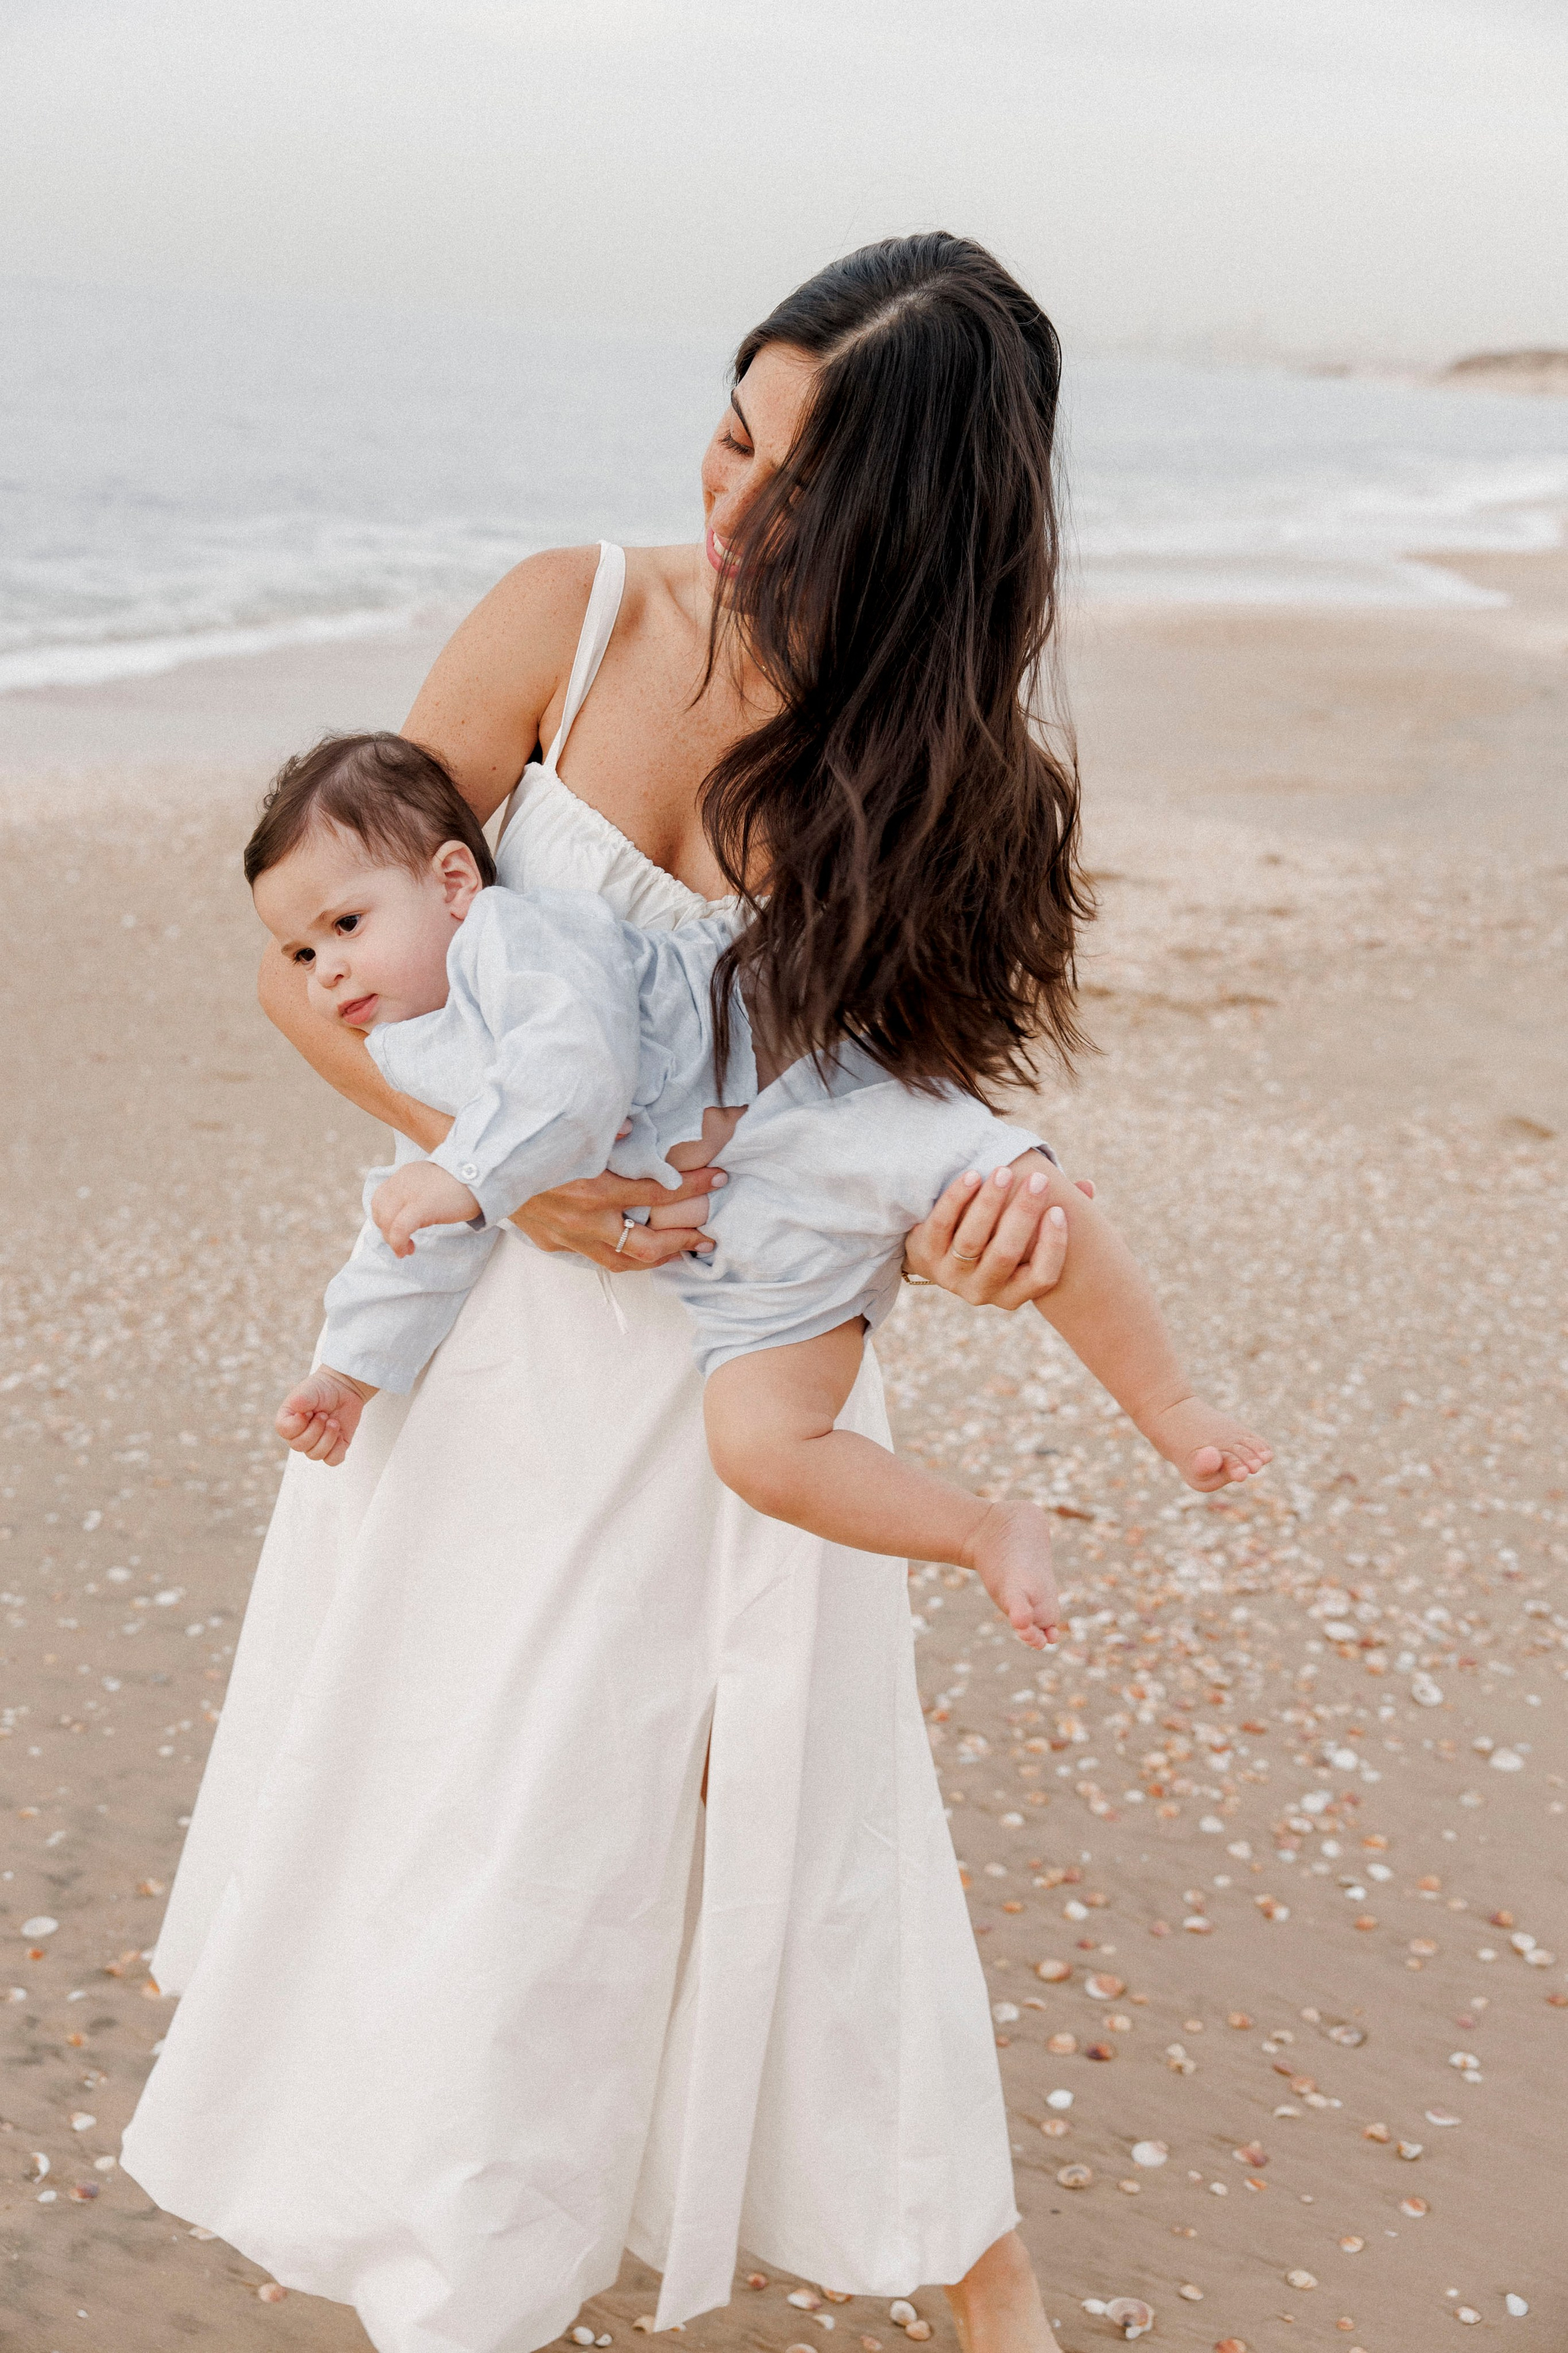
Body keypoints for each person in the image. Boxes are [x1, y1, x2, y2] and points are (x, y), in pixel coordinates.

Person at [121, 235, 1248, 2353]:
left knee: (783, 1847)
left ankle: (960, 2267)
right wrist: (507, 1189)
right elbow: (315, 963)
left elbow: (889, 1158)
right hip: (474, 1358)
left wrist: (985, 1237)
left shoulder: (942, 793)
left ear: (915, 541)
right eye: (731, 433)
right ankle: (478, 2275)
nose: (727, 515)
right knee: (466, 1829)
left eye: (798, 497)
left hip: (736, 1401)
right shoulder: (567, 617)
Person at [247, 731, 1268, 1644]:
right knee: (763, 1447)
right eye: (303, 952)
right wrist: (348, 1371)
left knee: (1024, 1198)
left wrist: (465, 1173)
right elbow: (419, 1229)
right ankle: (982, 1529)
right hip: (742, 1244)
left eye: (346, 924)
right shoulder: (417, 1048)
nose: (327, 972)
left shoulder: (517, 944)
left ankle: (1170, 1404)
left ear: (456, 883)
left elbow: (577, 1072)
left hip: (801, 1108)